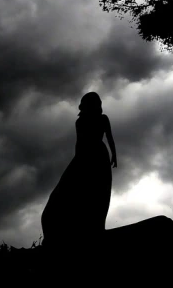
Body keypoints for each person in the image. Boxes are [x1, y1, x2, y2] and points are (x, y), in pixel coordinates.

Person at [41, 92, 117, 251]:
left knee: (97, 195)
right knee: (63, 196)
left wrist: (114, 154)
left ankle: (92, 230)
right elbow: (79, 142)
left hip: (97, 157)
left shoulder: (102, 119)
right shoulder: (80, 122)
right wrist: (77, 163)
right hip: (84, 157)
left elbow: (109, 137)